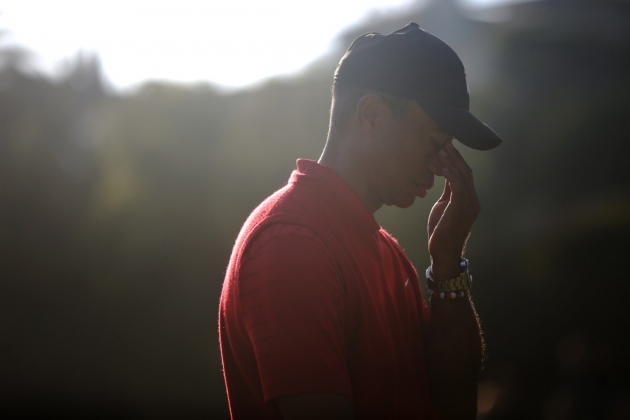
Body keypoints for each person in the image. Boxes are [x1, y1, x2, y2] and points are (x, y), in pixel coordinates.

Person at [219, 22, 502, 420]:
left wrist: (448, 262)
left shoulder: (383, 251)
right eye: (436, 141)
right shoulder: (292, 245)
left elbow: (453, 407)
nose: (443, 166)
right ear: (372, 115)